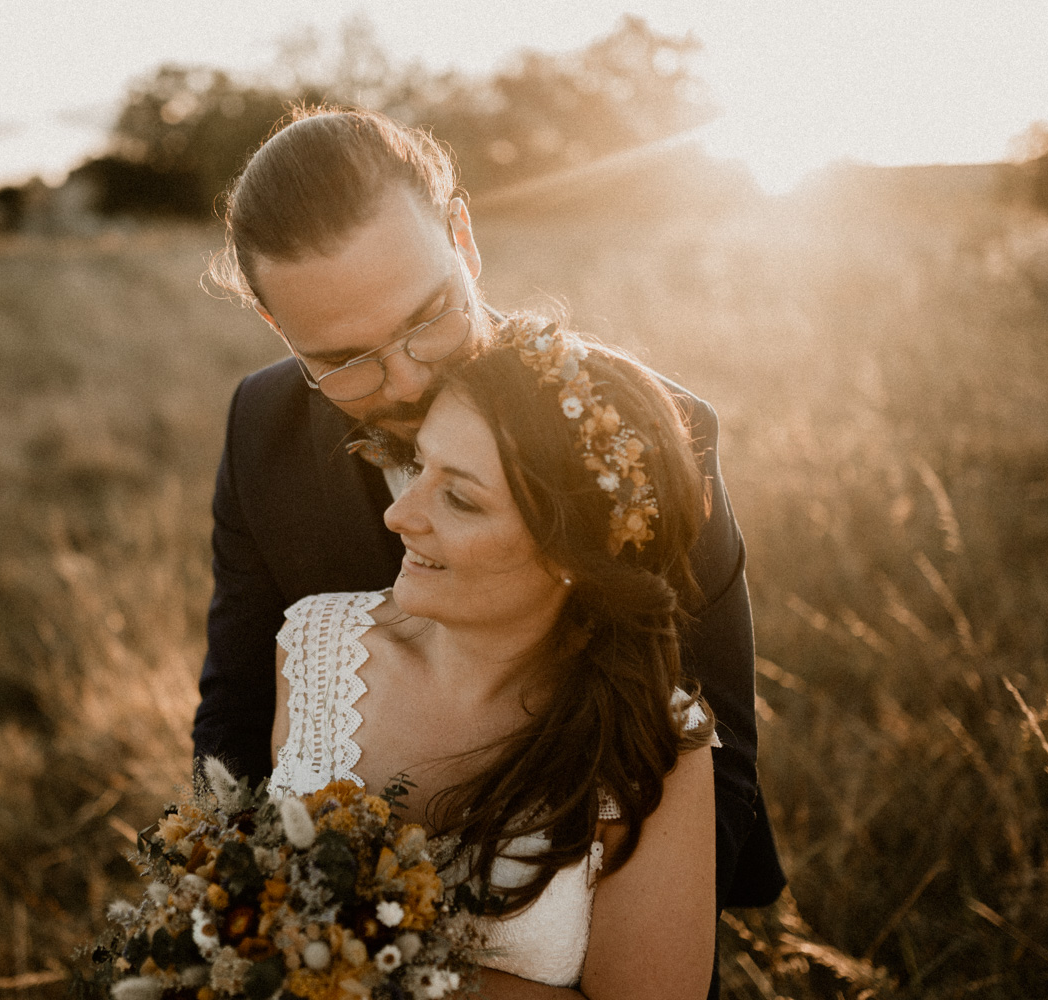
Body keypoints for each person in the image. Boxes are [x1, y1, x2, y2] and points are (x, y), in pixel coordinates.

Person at [193, 106, 785, 991]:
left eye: (428, 318)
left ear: (463, 238)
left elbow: (717, 742)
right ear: (281, 327)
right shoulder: (260, 429)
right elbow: (235, 716)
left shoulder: (648, 435)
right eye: (347, 360)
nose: (410, 379)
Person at [270, 320, 721, 998]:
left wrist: (359, 968)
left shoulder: (655, 743)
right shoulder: (312, 646)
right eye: (419, 466)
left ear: (570, 554)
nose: (400, 516)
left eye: (459, 497)